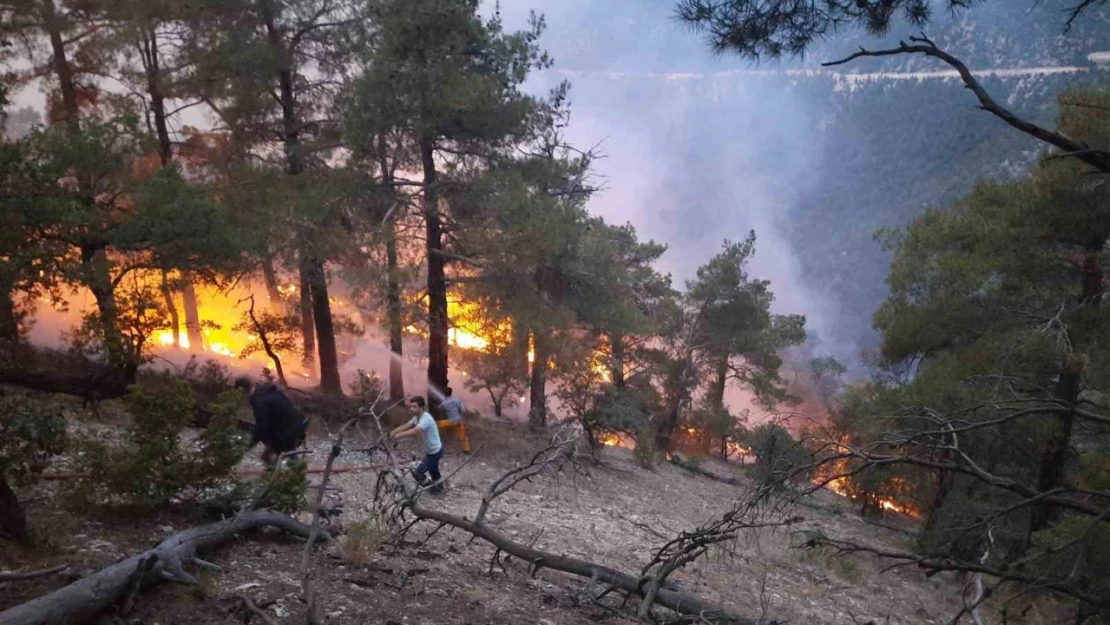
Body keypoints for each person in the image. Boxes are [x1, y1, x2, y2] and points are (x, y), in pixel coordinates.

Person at [234, 377, 307, 468]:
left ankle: (290, 474)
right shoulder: (269, 392)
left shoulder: (259, 401)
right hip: (298, 429)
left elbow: (262, 428)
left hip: (287, 435)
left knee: (274, 453)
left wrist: (248, 446)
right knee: (270, 455)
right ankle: (279, 475)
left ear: (243, 391)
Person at [390, 396, 444, 494]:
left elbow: (415, 431)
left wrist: (399, 435)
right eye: (411, 406)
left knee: (418, 473)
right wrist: (394, 431)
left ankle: (432, 489)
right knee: (433, 471)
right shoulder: (417, 417)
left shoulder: (426, 418)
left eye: (414, 407)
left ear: (421, 408)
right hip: (431, 451)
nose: (411, 409)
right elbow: (408, 425)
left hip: (435, 451)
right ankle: (439, 487)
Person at [436, 387, 470, 454]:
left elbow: (439, 408)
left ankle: (437, 442)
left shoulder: (444, 402)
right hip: (459, 421)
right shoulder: (457, 399)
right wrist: (464, 420)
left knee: (436, 424)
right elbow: (463, 410)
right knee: (462, 436)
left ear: (444, 394)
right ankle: (466, 450)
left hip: (450, 422)